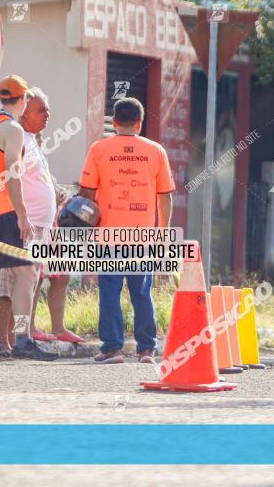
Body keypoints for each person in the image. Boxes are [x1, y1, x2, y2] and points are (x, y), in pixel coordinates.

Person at [78, 97, 175, 365]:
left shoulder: (98, 149)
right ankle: (146, 350)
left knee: (109, 291)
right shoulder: (156, 151)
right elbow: (165, 197)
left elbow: (86, 194)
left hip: (107, 234)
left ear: (115, 122)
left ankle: (113, 349)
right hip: (142, 235)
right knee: (141, 291)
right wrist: (162, 234)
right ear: (140, 124)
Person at [0, 75, 57, 360]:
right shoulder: (13, 128)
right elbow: (13, 169)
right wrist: (22, 214)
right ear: (21, 100)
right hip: (3, 211)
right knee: (28, 273)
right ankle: (22, 338)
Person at [0, 88, 81, 347]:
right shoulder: (16, 137)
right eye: (41, 110)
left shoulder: (31, 140)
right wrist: (21, 216)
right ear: (24, 111)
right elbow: (11, 177)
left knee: (26, 287)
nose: (48, 115)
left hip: (40, 227)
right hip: (23, 225)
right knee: (9, 288)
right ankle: (4, 339)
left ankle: (20, 337)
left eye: (48, 109)